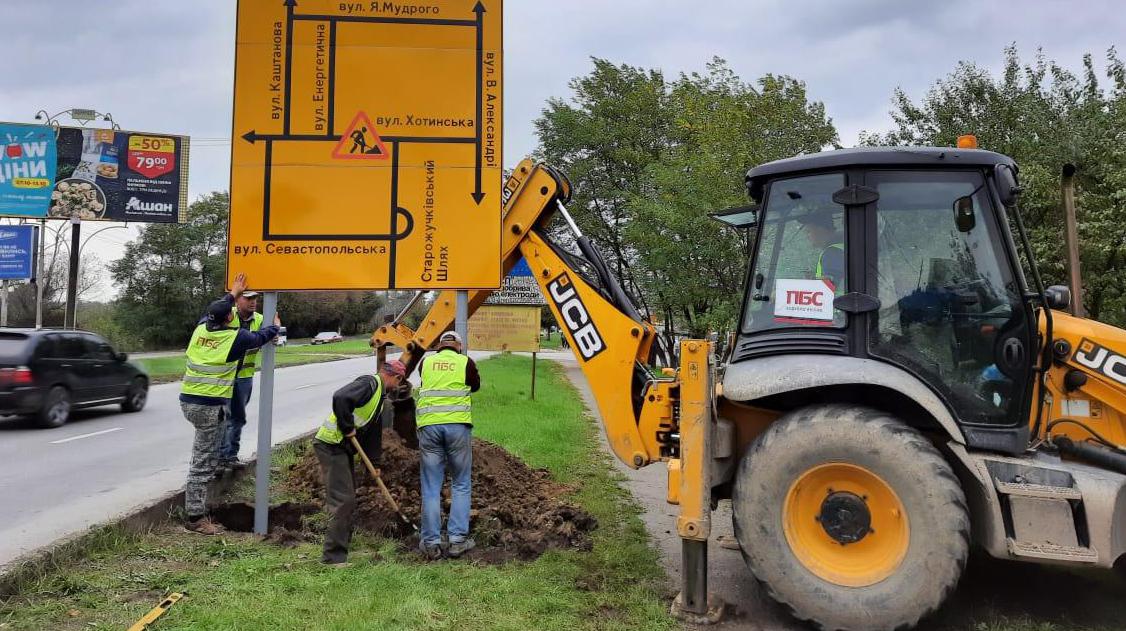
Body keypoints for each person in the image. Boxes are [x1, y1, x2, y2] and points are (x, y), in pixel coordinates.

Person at [180, 273, 280, 535]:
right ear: (230, 318)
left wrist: (232, 293)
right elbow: (264, 336)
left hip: (189, 401)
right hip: (207, 406)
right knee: (201, 461)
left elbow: (211, 312)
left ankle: (209, 483)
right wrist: (276, 326)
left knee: (209, 451)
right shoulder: (234, 339)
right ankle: (195, 517)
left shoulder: (201, 328)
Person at [313, 359, 408, 566]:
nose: (398, 387)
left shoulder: (378, 397)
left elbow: (373, 434)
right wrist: (347, 428)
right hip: (331, 445)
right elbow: (340, 397)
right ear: (396, 377)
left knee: (348, 499)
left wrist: (374, 464)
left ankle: (342, 548)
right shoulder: (369, 384)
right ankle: (332, 558)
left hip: (341, 448)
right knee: (343, 501)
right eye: (400, 382)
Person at [416, 331, 481, 559]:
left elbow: (425, 381)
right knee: (461, 483)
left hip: (429, 428)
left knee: (431, 486)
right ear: (459, 346)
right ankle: (457, 541)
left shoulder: (426, 362)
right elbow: (475, 386)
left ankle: (431, 543)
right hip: (457, 428)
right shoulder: (465, 362)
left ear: (439, 346)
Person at [219, 289, 264, 471]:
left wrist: (274, 334)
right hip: (225, 376)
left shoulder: (261, 319)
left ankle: (231, 456)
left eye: (255, 298)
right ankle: (219, 458)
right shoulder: (228, 316)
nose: (253, 302)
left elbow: (268, 335)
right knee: (221, 417)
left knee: (237, 418)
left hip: (245, 377)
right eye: (248, 298)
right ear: (238, 300)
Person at [797, 212, 845, 291]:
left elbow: (830, 287)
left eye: (808, 231)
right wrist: (814, 280)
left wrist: (783, 292)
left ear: (821, 230)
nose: (807, 236)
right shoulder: (841, 248)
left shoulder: (832, 253)